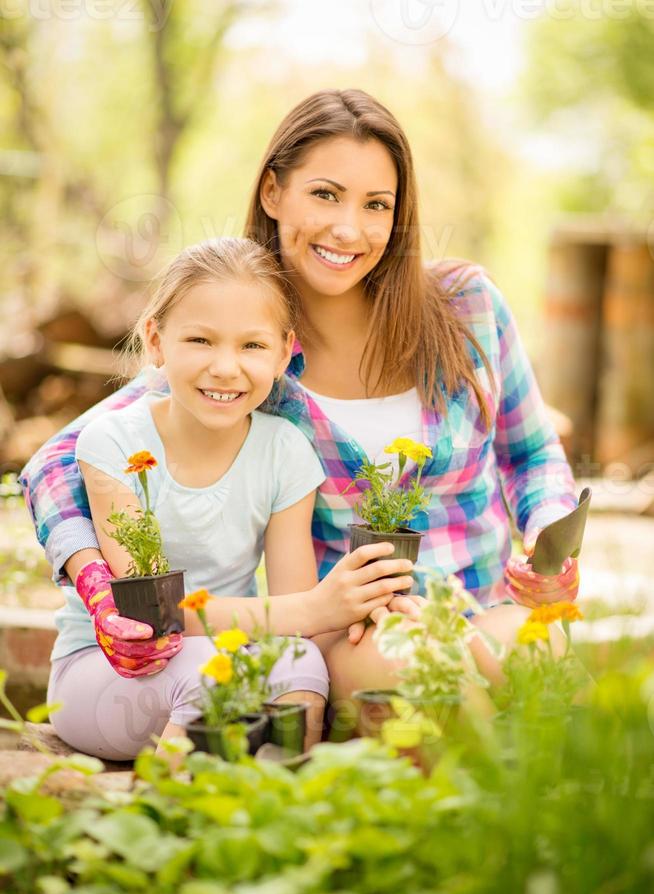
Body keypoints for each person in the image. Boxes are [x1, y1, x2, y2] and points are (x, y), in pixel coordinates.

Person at [21, 89, 579, 721]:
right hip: (355, 634)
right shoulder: (248, 352)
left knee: (545, 644)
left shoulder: (466, 306)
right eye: (324, 194)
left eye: (376, 205)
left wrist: (547, 537)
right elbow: (57, 461)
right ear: (272, 193)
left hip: (480, 606)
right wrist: (96, 580)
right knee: (420, 676)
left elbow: (532, 455)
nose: (348, 228)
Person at [43, 237, 415, 760]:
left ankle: (282, 791)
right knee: (206, 672)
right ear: (155, 340)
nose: (225, 367)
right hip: (110, 672)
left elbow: (296, 609)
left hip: (224, 657)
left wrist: (365, 602)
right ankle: (168, 802)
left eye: (252, 346)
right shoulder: (113, 443)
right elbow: (154, 616)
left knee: (301, 661)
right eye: (200, 340)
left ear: (285, 352)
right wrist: (312, 608)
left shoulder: (284, 450)